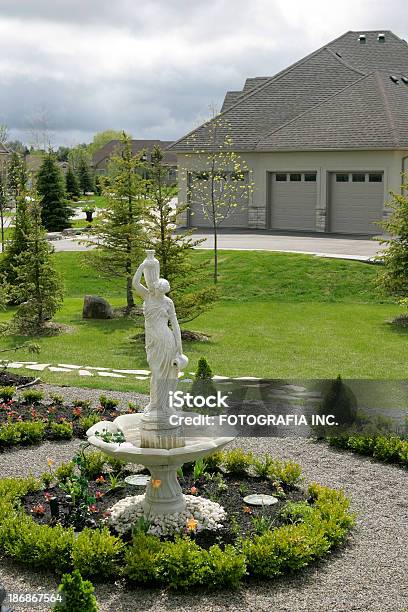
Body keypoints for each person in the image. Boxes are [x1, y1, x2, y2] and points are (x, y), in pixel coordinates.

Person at [132, 257, 187, 420]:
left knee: (169, 374)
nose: (158, 292)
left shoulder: (168, 302)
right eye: (158, 290)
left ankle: (166, 405)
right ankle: (155, 403)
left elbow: (175, 325)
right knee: (156, 372)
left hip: (166, 340)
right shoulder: (147, 296)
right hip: (152, 341)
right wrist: (142, 266)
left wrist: (179, 348)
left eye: (162, 291)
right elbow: (135, 283)